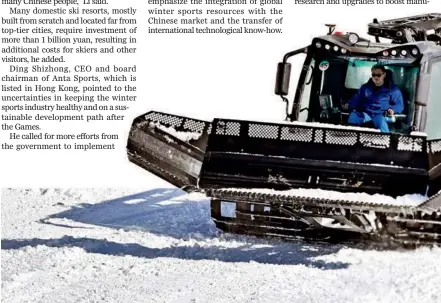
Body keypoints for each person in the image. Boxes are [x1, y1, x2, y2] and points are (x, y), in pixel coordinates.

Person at [344, 64, 404, 133]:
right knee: (353, 116)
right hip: (366, 114)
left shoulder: (393, 90)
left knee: (380, 120)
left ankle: (385, 140)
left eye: (378, 75)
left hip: (381, 115)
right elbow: (356, 99)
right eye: (373, 75)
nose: (376, 77)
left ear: (384, 74)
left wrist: (393, 110)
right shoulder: (365, 87)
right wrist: (348, 105)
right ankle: (351, 137)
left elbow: (399, 105)